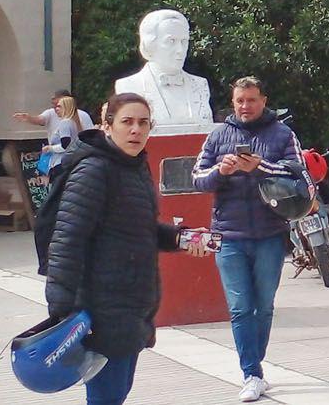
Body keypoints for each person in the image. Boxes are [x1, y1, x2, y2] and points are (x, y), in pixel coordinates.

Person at [44, 93, 211, 405]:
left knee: (114, 395)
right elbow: (67, 242)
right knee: (106, 397)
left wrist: (180, 238)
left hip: (131, 308)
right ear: (108, 127)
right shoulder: (94, 171)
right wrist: (62, 316)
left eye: (143, 123)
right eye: (127, 122)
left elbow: (138, 229)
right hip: (101, 311)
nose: (136, 130)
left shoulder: (133, 167)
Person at [192, 77, 305, 403]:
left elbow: (298, 173)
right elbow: (197, 178)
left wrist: (260, 167)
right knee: (241, 308)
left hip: (270, 234)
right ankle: (252, 373)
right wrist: (221, 172)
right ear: (233, 102)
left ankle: (255, 366)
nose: (245, 106)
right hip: (228, 236)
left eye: (251, 100)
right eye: (240, 100)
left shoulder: (283, 134)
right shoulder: (218, 135)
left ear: (263, 100)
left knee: (263, 306)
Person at [14, 91, 94, 172]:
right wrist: (29, 118)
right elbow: (40, 120)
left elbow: (65, 145)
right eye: (54, 105)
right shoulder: (65, 118)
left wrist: (50, 148)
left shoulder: (66, 122)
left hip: (62, 160)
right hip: (73, 158)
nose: (55, 108)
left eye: (59, 105)